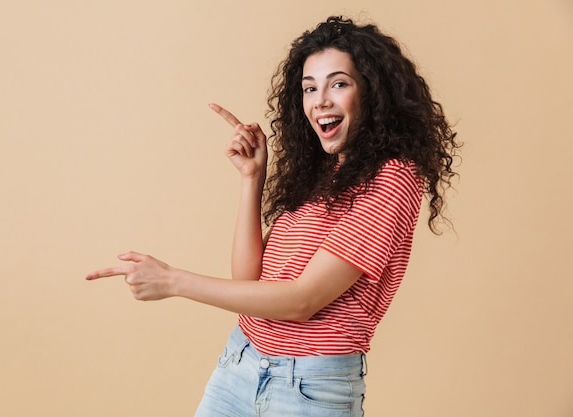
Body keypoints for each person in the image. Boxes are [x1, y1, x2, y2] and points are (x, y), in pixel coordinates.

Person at [86, 16, 460, 417]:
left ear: (372, 91)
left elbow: (302, 301)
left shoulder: (393, 177)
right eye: (309, 88)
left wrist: (173, 280)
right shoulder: (322, 172)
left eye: (339, 83)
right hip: (240, 363)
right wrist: (252, 179)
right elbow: (248, 284)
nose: (320, 101)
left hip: (310, 389)